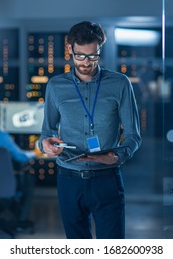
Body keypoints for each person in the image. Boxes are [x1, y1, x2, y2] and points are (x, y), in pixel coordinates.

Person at [39, 21, 142, 239]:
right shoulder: (55, 86)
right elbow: (46, 133)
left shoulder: (120, 83)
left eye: (93, 56)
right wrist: (46, 145)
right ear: (70, 50)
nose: (87, 62)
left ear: (100, 50)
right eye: (80, 56)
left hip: (107, 179)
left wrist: (115, 156)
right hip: (69, 180)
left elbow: (134, 135)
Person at [0, 130, 35, 234]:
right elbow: (22, 157)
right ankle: (20, 221)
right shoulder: (2, 136)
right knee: (28, 179)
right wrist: (36, 152)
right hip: (4, 192)